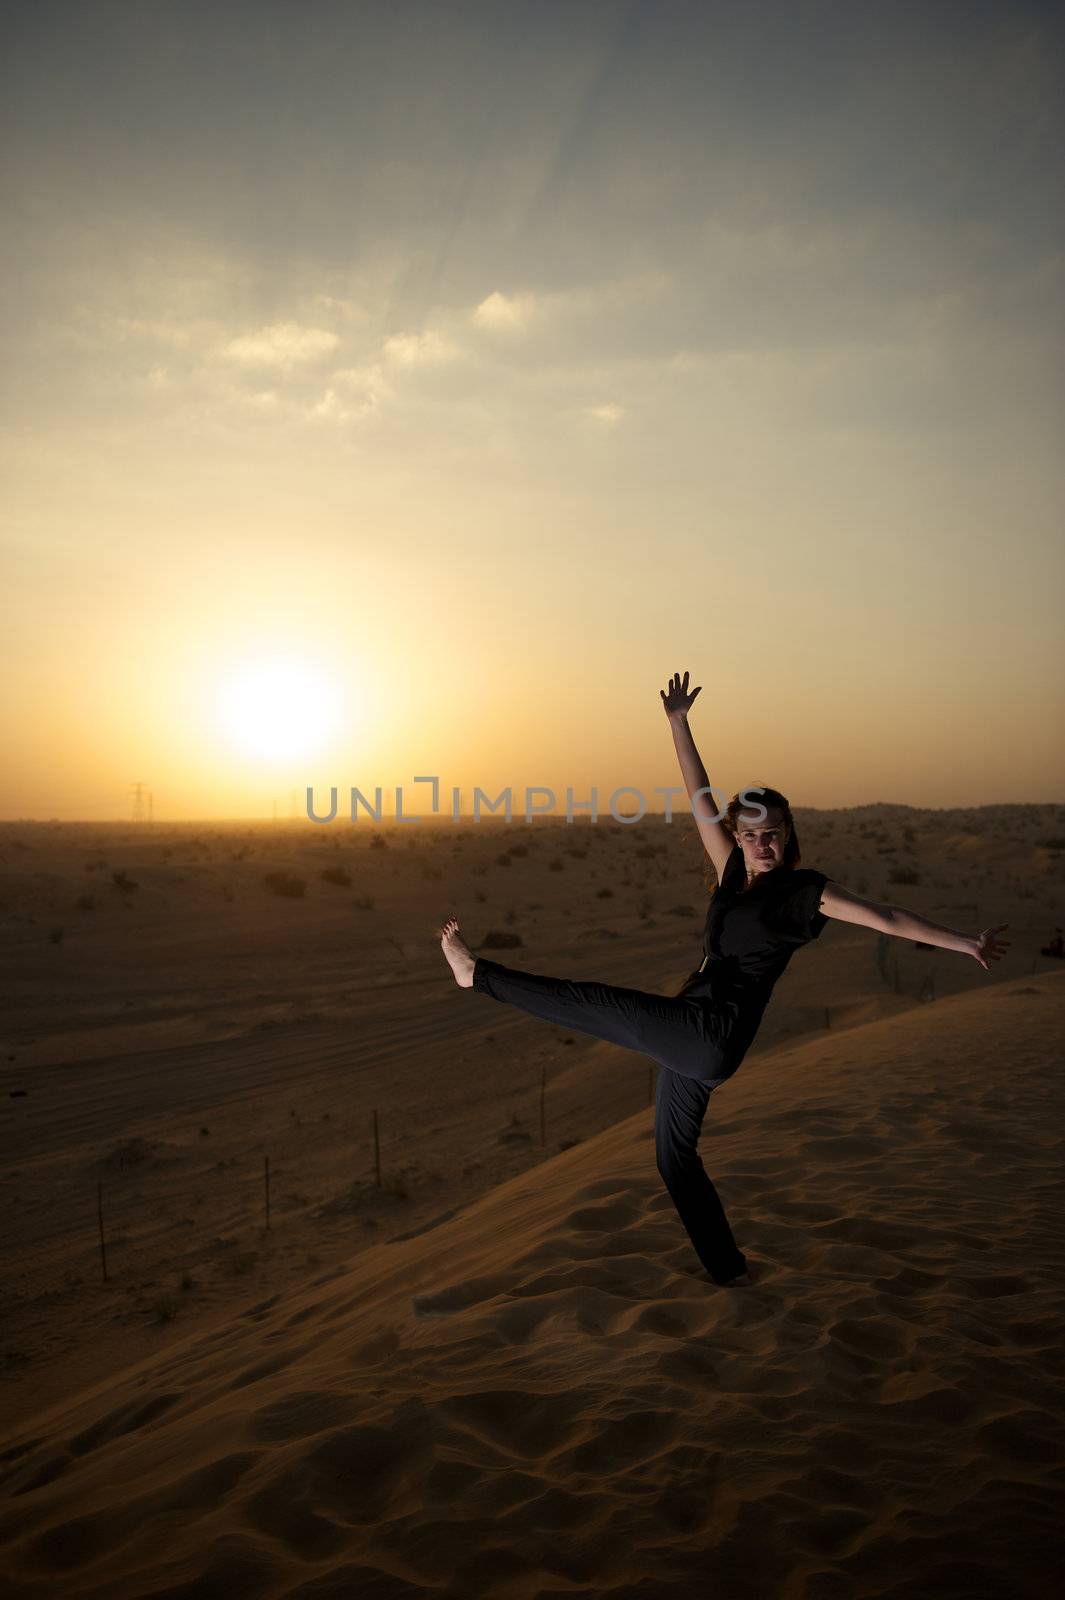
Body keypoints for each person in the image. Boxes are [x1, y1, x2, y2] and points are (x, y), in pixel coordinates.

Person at [439, 669, 1011, 1289]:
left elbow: (888, 917)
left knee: (595, 1002)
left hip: (709, 1031)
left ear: (788, 834)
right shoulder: (733, 872)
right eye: (751, 835)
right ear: (738, 838)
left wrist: (965, 943)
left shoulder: (806, 893)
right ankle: (729, 1271)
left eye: (773, 835)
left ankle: (478, 977)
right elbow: (699, 801)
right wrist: (679, 724)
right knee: (673, 1158)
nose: (762, 845)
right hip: (696, 1035)